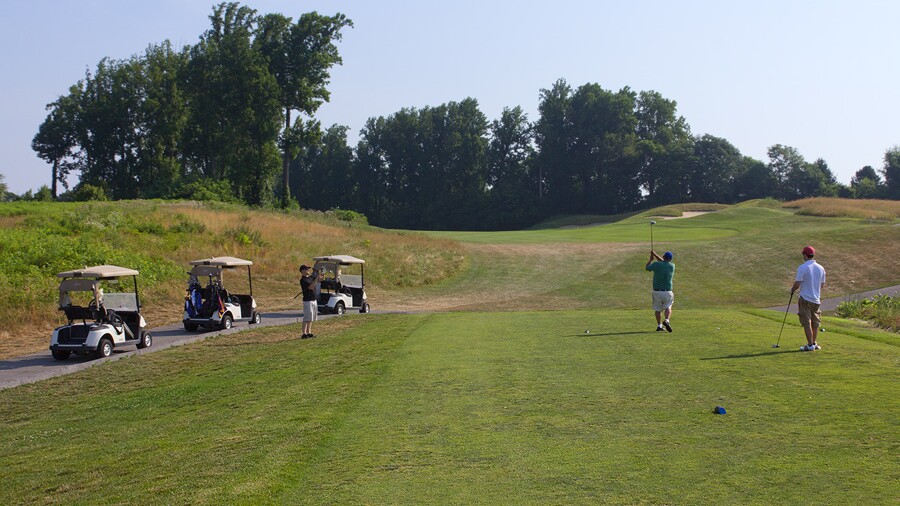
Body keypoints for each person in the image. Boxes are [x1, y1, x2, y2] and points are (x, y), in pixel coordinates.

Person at [792, 246, 826, 351]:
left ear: (805, 255)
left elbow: (798, 283)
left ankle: (810, 345)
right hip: (816, 299)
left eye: (803, 254)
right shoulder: (820, 268)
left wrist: (792, 290)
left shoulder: (802, 267)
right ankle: (814, 343)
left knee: (807, 322)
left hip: (805, 298)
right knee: (815, 323)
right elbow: (822, 285)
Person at [645, 250, 675, 332]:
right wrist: (655, 255)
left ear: (664, 257)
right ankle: (667, 320)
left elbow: (647, 268)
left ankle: (659, 326)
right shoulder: (672, 266)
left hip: (657, 292)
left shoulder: (656, 265)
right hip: (668, 292)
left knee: (658, 310)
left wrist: (651, 259)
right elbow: (663, 262)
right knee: (668, 306)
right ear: (671, 259)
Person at [299, 264, 320, 339]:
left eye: (308, 269)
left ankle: (309, 332)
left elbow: (320, 279)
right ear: (302, 271)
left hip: (313, 299)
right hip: (308, 301)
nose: (308, 270)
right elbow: (311, 287)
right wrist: (316, 278)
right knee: (307, 317)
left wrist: (321, 274)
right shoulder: (303, 280)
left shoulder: (311, 278)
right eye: (306, 269)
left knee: (311, 318)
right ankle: (304, 334)